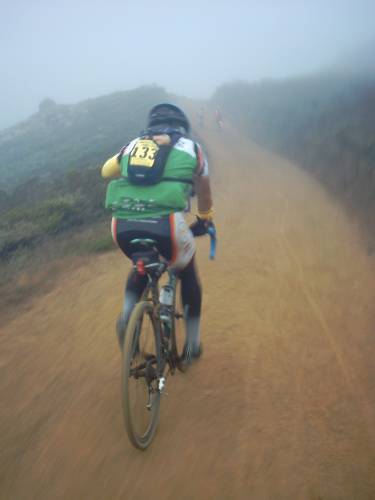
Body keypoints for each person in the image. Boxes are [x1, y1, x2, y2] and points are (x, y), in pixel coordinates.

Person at [101, 103, 214, 364]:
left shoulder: (133, 145)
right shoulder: (192, 149)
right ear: (182, 127)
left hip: (122, 226)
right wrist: (205, 219)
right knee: (187, 272)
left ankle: (129, 317)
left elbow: (105, 172)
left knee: (141, 264)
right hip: (167, 225)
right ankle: (192, 345)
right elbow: (204, 191)